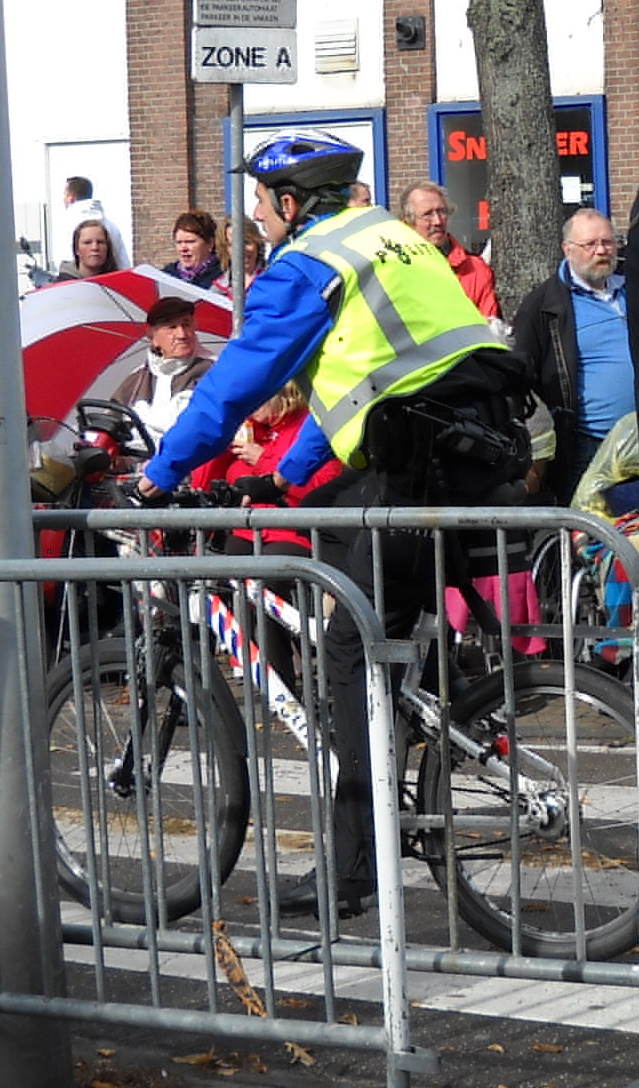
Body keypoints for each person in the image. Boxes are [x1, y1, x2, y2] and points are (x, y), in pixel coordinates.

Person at [135, 128, 533, 917]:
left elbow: (234, 389)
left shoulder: (305, 265)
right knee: (320, 533)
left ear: (288, 204)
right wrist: (281, 480)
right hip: (465, 444)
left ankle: (354, 869)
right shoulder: (388, 236)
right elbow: (363, 385)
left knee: (350, 641)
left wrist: (157, 476)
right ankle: (410, 711)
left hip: (417, 465)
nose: (254, 215)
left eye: (258, 200)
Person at [221, 382, 342, 692]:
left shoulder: (307, 425)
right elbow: (231, 475)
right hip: (252, 528)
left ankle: (281, 682)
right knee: (225, 577)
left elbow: (320, 486)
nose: (252, 403)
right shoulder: (251, 429)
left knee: (267, 581)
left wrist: (263, 463)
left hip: (299, 529)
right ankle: (258, 674)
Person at [513, 207, 635, 504]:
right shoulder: (543, 305)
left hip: (636, 440)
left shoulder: (632, 287)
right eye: (590, 244)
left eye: (608, 242)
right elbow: (523, 376)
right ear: (567, 249)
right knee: (592, 535)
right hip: (589, 445)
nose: (601, 251)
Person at [571, 410, 639, 670]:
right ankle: (616, 650)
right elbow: (593, 497)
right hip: (609, 520)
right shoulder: (629, 429)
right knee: (629, 553)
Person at [112, 296, 213, 452]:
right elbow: (111, 420)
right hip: (136, 463)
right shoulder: (137, 378)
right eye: (171, 327)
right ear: (153, 336)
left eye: (186, 325)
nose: (182, 334)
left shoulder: (212, 370)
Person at [399, 180, 500, 319]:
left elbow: (489, 329)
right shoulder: (396, 271)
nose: (438, 221)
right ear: (408, 222)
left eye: (442, 212)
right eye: (428, 214)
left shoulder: (475, 270)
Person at [61, 176, 131, 271]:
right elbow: (123, 264)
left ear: (71, 198)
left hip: (78, 282)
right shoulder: (112, 226)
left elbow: (67, 261)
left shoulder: (69, 224)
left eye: (64, 195)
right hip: (110, 282)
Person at [211, 214, 266, 299]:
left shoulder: (272, 279)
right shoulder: (217, 290)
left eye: (246, 242)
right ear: (225, 249)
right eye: (233, 245)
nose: (241, 250)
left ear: (257, 243)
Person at [162, 210, 221, 288]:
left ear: (210, 243)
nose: (183, 248)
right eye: (179, 242)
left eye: (190, 242)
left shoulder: (224, 278)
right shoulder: (165, 278)